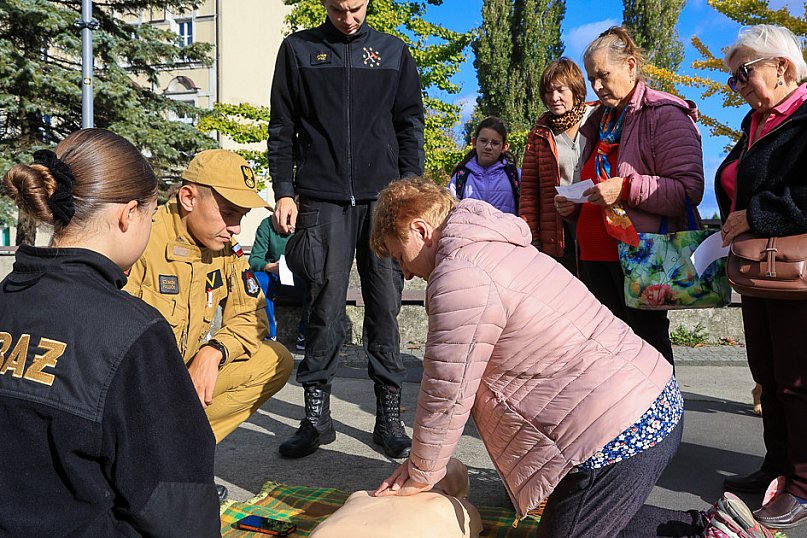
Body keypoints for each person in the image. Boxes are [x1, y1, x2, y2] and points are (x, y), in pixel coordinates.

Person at [369, 179, 773, 538]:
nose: (404, 272)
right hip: (646, 402)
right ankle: (715, 527)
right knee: (577, 520)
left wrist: (421, 474)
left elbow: (448, 389)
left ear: (420, 230)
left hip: (619, 432)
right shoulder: (491, 246)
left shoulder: (461, 274)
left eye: (398, 255)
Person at [0, 129, 219, 536]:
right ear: (128, 214)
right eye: (152, 217)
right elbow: (177, 503)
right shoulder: (134, 332)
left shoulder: (7, 299)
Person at [268, 0, 425, 460]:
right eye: (338, 9)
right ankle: (316, 418)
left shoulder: (394, 52)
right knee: (324, 304)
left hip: (383, 200)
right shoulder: (298, 50)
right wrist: (284, 190)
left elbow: (409, 126)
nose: (348, 18)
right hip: (320, 198)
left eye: (356, 8)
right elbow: (283, 127)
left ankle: (389, 418)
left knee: (385, 306)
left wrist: (408, 193)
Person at [124, 149, 294, 499]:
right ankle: (139, 466)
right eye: (229, 213)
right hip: (132, 391)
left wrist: (213, 351)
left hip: (180, 380)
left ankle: (173, 464)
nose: (235, 228)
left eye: (242, 216)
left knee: (275, 359)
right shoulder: (139, 238)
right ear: (188, 197)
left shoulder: (225, 249)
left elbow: (252, 315)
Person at [553, 27, 705, 366]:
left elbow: (687, 189)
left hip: (640, 261)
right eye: (592, 78)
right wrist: (574, 207)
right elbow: (600, 189)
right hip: (594, 257)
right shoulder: (601, 121)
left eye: (603, 76)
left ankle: (663, 419)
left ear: (631, 66)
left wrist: (625, 187)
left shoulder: (664, 113)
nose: (596, 87)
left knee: (646, 355)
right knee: (610, 359)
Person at [716, 24, 807, 530]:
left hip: (797, 273)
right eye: (733, 79)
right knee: (769, 377)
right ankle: (777, 466)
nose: (738, 86)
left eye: (744, 73)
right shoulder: (758, 122)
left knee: (798, 380)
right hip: (761, 272)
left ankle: (803, 483)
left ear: (783, 67)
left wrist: (757, 213)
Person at [520, 57, 597, 274]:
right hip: (558, 227)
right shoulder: (539, 133)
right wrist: (532, 236)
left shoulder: (598, 119)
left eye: (561, 90)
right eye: (548, 92)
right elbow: (529, 191)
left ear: (576, 90)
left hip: (597, 219)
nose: (554, 98)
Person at [249, 213, 309, 350]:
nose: (291, 229)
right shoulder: (267, 225)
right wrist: (270, 267)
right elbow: (254, 260)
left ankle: (304, 335)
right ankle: (269, 334)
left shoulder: (306, 223)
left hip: (300, 278)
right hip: (275, 276)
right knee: (259, 280)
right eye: (287, 223)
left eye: (293, 223)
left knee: (316, 284)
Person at [448, 116, 520, 215]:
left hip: (506, 230)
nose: (488, 147)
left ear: (504, 147)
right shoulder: (460, 177)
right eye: (483, 141)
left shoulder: (515, 176)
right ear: (474, 142)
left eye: (495, 143)